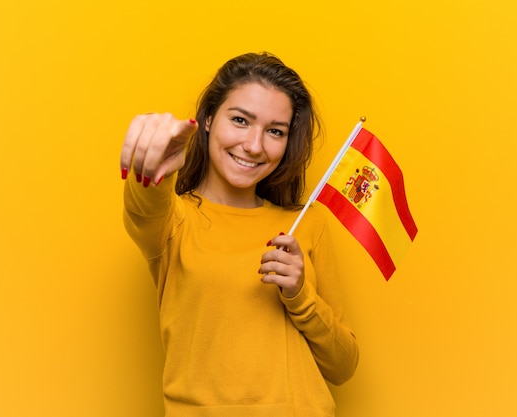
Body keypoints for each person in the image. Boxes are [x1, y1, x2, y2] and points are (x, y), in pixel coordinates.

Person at [120, 52, 359, 416]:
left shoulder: (309, 224)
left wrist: (300, 296)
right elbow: (143, 207)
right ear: (209, 119)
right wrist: (153, 168)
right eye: (240, 120)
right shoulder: (175, 219)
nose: (254, 145)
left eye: (275, 131)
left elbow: (343, 367)